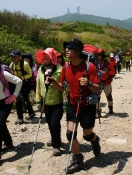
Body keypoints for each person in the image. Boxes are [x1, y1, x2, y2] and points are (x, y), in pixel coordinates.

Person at [50, 38, 101, 174]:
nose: (66, 49)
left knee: (87, 135)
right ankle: (78, 159)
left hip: (86, 106)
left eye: (70, 47)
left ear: (77, 52)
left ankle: (94, 140)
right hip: (73, 104)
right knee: (70, 134)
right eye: (66, 47)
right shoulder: (66, 67)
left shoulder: (89, 67)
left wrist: (89, 84)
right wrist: (53, 82)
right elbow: (62, 87)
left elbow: (98, 89)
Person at [35, 48, 64, 156]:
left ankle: (56, 146)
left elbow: (64, 86)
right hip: (46, 102)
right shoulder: (40, 70)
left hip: (57, 102)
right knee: (50, 123)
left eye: (46, 57)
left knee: (54, 123)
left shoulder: (60, 70)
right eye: (43, 58)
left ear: (52, 58)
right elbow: (38, 85)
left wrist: (65, 101)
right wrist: (38, 100)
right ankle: (55, 138)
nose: (44, 59)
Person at [9, 50, 35, 125]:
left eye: (14, 56)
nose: (13, 58)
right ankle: (30, 113)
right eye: (12, 56)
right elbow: (10, 73)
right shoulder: (12, 64)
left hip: (26, 83)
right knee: (22, 98)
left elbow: (30, 74)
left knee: (20, 98)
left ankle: (20, 118)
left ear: (19, 57)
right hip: (17, 84)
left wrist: (22, 78)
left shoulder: (25, 64)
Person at [97, 49, 115, 114]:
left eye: (99, 55)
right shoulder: (94, 63)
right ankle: (98, 111)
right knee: (97, 97)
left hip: (107, 82)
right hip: (97, 82)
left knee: (108, 96)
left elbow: (113, 72)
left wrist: (108, 71)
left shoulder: (107, 63)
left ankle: (110, 108)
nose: (98, 56)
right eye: (97, 54)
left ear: (102, 56)